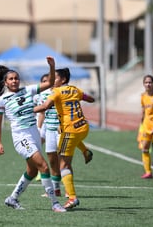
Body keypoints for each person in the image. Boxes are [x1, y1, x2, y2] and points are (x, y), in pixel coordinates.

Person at [0, 56, 66, 213]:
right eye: (11, 79)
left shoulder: (28, 90)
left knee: (32, 171)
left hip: (34, 133)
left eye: (16, 78)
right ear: (5, 83)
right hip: (21, 137)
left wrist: (52, 66)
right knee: (44, 166)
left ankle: (12, 198)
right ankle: (55, 203)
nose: (14, 81)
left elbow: (50, 83)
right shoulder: (2, 100)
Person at [34, 68, 95, 210]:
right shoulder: (74, 90)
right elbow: (90, 99)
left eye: (54, 78)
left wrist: (26, 111)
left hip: (70, 130)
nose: (51, 80)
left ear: (62, 80)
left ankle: (72, 197)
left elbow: (44, 106)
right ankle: (85, 151)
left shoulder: (56, 91)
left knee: (64, 165)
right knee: (62, 159)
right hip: (83, 128)